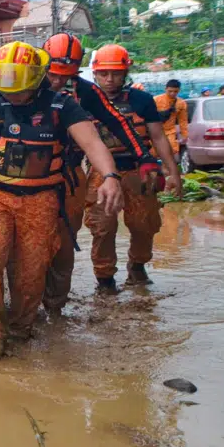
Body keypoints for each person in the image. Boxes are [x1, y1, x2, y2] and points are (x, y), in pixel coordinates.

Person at [0, 42, 124, 361]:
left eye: (19, 89)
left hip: (42, 199)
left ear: (36, 79)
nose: (12, 95)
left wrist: (109, 176)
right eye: (6, 88)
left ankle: (21, 328)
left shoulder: (62, 106)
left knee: (31, 271)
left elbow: (93, 144)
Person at [40, 32, 150, 316]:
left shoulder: (84, 92)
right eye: (53, 75)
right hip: (27, 180)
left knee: (65, 242)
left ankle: (55, 309)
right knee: (30, 243)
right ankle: (24, 303)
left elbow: (117, 123)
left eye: (65, 76)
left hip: (68, 175)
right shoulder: (23, 85)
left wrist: (144, 157)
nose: (58, 82)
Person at [85, 45, 182, 293]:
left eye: (116, 73)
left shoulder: (141, 100)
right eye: (104, 74)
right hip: (101, 174)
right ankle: (105, 279)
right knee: (102, 227)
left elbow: (158, 137)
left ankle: (137, 266)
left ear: (125, 73)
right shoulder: (84, 101)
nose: (109, 79)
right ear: (95, 74)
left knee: (144, 224)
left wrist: (173, 173)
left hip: (139, 171)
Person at [152, 78, 189, 162]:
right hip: (155, 131)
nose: (172, 93)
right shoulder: (156, 100)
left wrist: (185, 135)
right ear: (165, 89)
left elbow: (183, 120)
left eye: (175, 91)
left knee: (171, 150)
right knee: (155, 152)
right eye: (170, 91)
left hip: (170, 131)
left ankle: (168, 167)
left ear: (179, 90)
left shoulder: (181, 103)